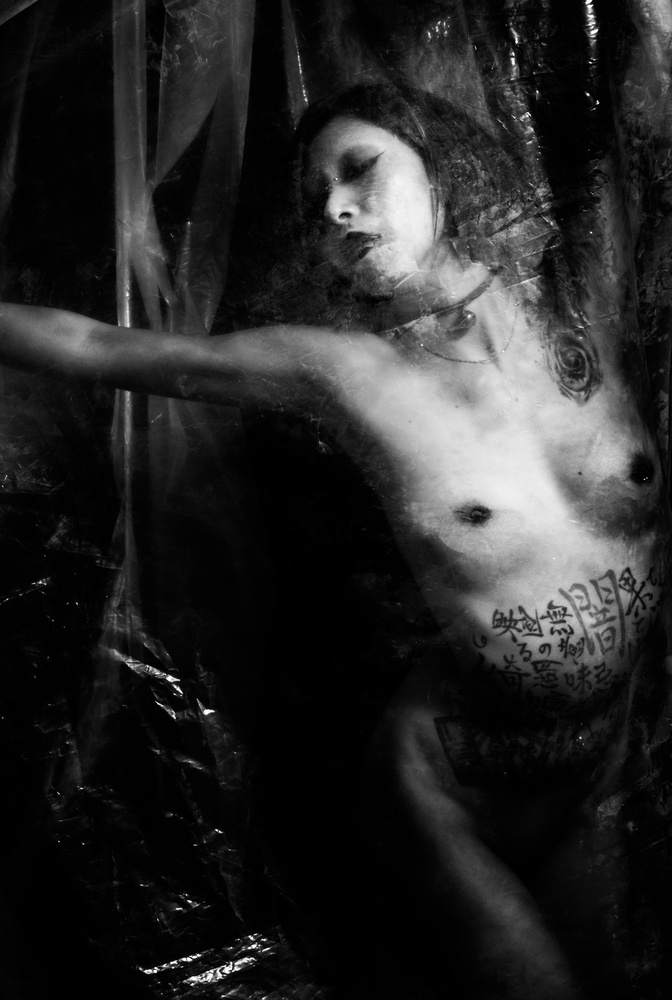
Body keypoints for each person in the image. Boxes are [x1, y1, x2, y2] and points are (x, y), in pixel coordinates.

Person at [0, 83, 669, 1000]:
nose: (338, 211)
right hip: (455, 791)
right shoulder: (341, 373)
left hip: (602, 765)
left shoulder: (589, 305)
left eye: (360, 171)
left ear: (443, 168)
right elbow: (94, 347)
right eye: (316, 204)